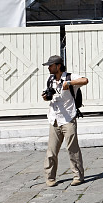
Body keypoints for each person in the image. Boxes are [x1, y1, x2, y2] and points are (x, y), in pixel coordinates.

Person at [42, 55, 88, 187]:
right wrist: (46, 97)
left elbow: (85, 80)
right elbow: (48, 96)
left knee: (73, 149)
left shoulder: (70, 77)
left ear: (58, 66)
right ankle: (50, 178)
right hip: (54, 119)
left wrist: (69, 83)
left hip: (68, 119)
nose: (49, 68)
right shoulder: (49, 79)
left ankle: (78, 176)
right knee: (51, 151)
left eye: (51, 65)